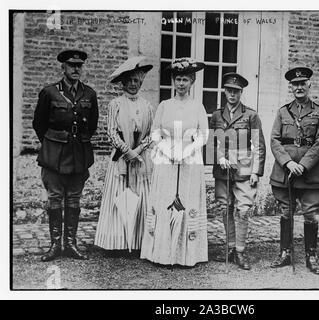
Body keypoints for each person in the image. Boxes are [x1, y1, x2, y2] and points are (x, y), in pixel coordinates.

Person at [140, 57, 209, 267]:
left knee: (187, 202)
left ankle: (187, 255)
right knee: (164, 200)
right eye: (178, 79)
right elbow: (155, 133)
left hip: (190, 161)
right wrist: (167, 150)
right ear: (173, 81)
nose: (181, 83)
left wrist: (188, 150)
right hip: (166, 160)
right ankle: (161, 253)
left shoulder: (198, 106)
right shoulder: (164, 105)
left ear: (192, 82)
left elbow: (203, 134)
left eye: (185, 80)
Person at [33, 49, 99, 261]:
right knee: (55, 198)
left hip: (79, 154)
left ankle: (70, 243)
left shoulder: (89, 94)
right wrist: (53, 143)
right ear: (63, 67)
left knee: (74, 199)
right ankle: (55, 245)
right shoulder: (50, 92)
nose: (76, 69)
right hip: (54, 155)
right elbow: (39, 124)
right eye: (72, 65)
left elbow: (93, 125)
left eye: (80, 65)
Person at [270, 67, 319, 274]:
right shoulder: (282, 112)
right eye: (295, 84)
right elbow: (275, 140)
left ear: (309, 85)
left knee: (310, 214)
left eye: (303, 83)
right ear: (290, 87)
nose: (299, 87)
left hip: (310, 173)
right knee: (286, 212)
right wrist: (288, 163)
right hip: (285, 172)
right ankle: (285, 253)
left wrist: (302, 164)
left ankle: (311, 255)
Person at [94, 56, 155, 254]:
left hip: (140, 159)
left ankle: (138, 242)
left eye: (136, 81)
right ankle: (117, 242)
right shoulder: (115, 104)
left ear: (140, 83)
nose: (132, 85)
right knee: (119, 196)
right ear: (122, 83)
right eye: (128, 81)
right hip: (120, 158)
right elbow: (111, 132)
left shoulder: (148, 106)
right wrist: (127, 151)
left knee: (140, 197)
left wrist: (137, 151)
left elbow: (153, 134)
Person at [208, 72, 266, 270]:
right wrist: (219, 157)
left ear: (241, 92)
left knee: (242, 210)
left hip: (243, 169)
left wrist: (256, 172)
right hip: (223, 169)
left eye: (236, 91)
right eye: (229, 90)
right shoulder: (216, 115)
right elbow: (211, 143)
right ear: (224, 91)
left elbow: (258, 145)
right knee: (225, 208)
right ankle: (230, 248)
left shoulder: (251, 115)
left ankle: (240, 252)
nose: (232, 94)